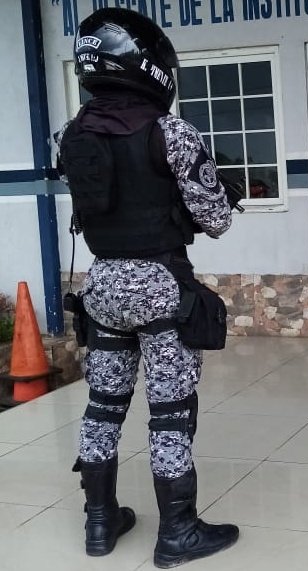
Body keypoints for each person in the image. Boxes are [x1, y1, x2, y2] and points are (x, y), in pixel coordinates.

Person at [54, 8, 239, 568]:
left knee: (103, 406)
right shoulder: (171, 131)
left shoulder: (72, 133)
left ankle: (100, 522)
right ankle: (177, 532)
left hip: (102, 285)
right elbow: (216, 219)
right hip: (159, 288)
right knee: (171, 412)